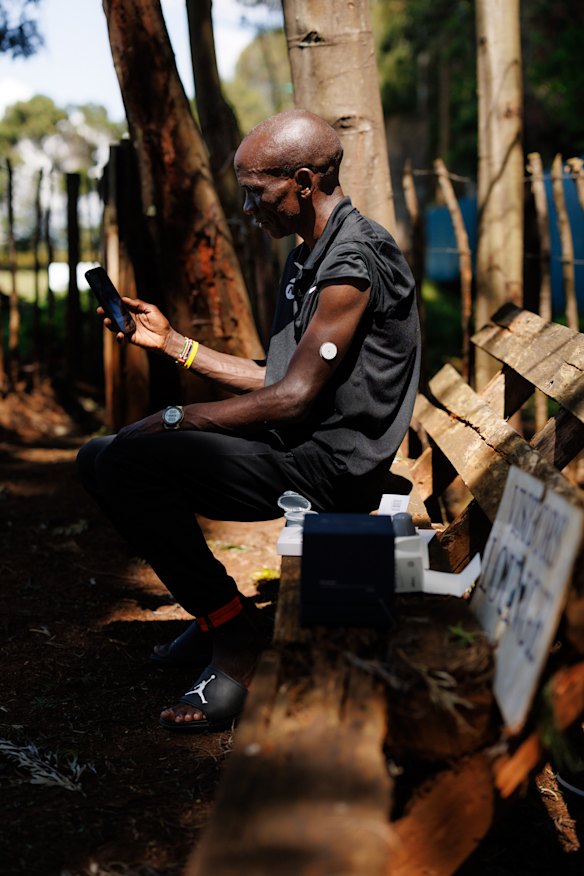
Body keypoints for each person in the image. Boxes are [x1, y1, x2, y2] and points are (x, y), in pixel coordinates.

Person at [77, 109, 421, 734]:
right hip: (294, 442)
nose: (245, 207)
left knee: (130, 460)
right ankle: (222, 615)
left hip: (331, 467)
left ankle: (238, 644)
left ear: (304, 181)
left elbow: (291, 399)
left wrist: (178, 416)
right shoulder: (309, 253)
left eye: (256, 192)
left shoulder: (353, 261)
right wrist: (175, 345)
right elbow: (281, 378)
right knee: (98, 456)